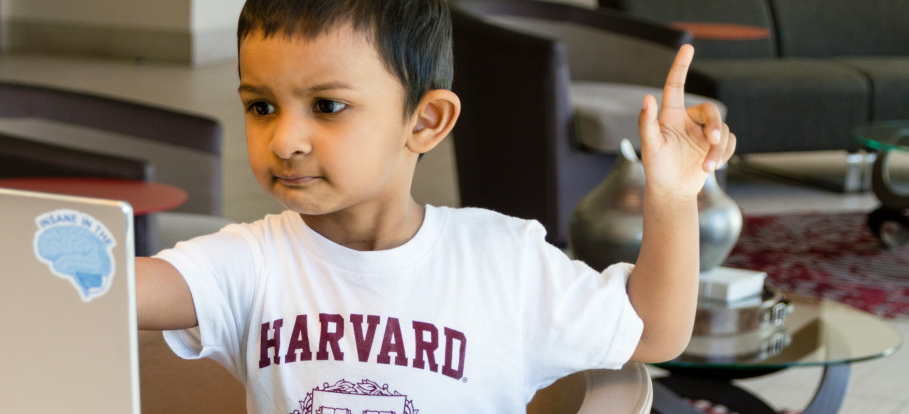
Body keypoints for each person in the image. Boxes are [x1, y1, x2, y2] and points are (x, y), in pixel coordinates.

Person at [135, 0, 736, 412]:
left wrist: (675, 196)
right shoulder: (250, 262)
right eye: (261, 106)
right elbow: (118, 288)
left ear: (425, 120)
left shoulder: (503, 260)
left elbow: (655, 332)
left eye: (326, 106)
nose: (284, 139)